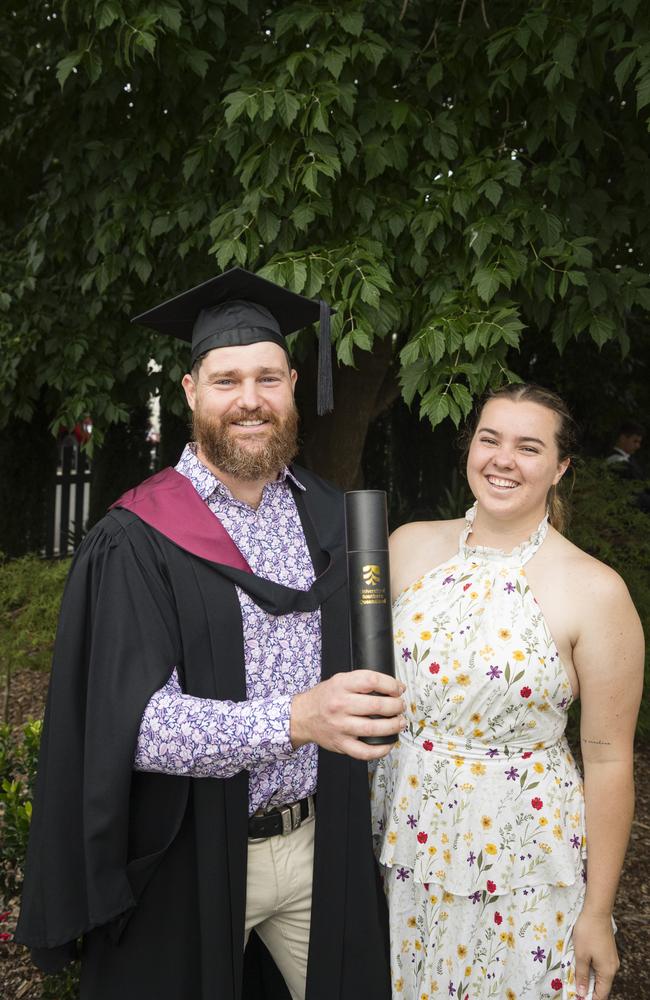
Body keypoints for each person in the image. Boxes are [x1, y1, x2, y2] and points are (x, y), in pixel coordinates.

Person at [16, 267, 404, 1000]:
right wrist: (296, 720)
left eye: (267, 377)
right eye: (226, 381)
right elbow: (141, 728)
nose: (249, 401)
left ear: (293, 383)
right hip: (192, 857)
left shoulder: (332, 519)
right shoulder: (139, 537)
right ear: (191, 392)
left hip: (322, 844)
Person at [370, 383, 644, 1000]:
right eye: (490, 439)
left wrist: (597, 913)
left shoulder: (596, 592)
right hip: (407, 843)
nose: (502, 459)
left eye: (528, 447)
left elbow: (607, 761)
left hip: (524, 861)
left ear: (559, 467)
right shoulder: (408, 546)